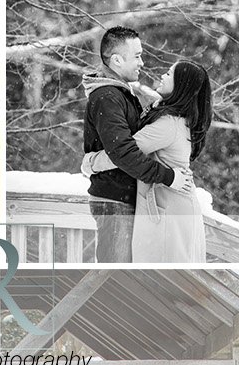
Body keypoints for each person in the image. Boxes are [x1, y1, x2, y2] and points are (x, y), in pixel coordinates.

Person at [81, 26, 194, 265]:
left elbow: (125, 145)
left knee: (124, 275)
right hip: (115, 201)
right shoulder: (108, 97)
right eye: (137, 56)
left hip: (122, 199)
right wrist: (167, 176)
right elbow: (123, 151)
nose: (142, 62)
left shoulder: (120, 94)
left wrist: (92, 163)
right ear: (117, 60)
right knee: (115, 277)